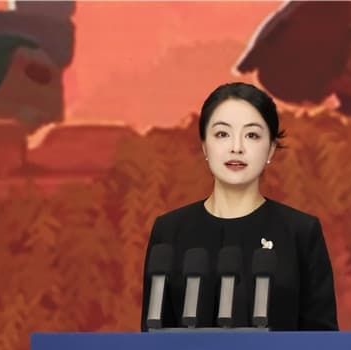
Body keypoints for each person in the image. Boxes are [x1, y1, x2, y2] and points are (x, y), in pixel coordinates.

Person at [140, 82, 338, 331]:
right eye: (222, 134)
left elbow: (325, 341)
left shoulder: (300, 232)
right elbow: (153, 340)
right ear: (204, 146)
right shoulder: (169, 231)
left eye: (252, 135)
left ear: (271, 149)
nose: (237, 147)